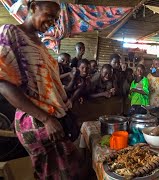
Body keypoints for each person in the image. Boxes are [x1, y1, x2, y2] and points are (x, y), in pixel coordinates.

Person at [0, 0, 81, 179]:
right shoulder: (11, 32)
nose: (53, 22)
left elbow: (47, 85)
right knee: (52, 174)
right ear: (33, 7)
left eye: (56, 19)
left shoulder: (39, 42)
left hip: (53, 118)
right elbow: (4, 84)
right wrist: (46, 119)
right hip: (37, 120)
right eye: (50, 16)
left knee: (70, 170)